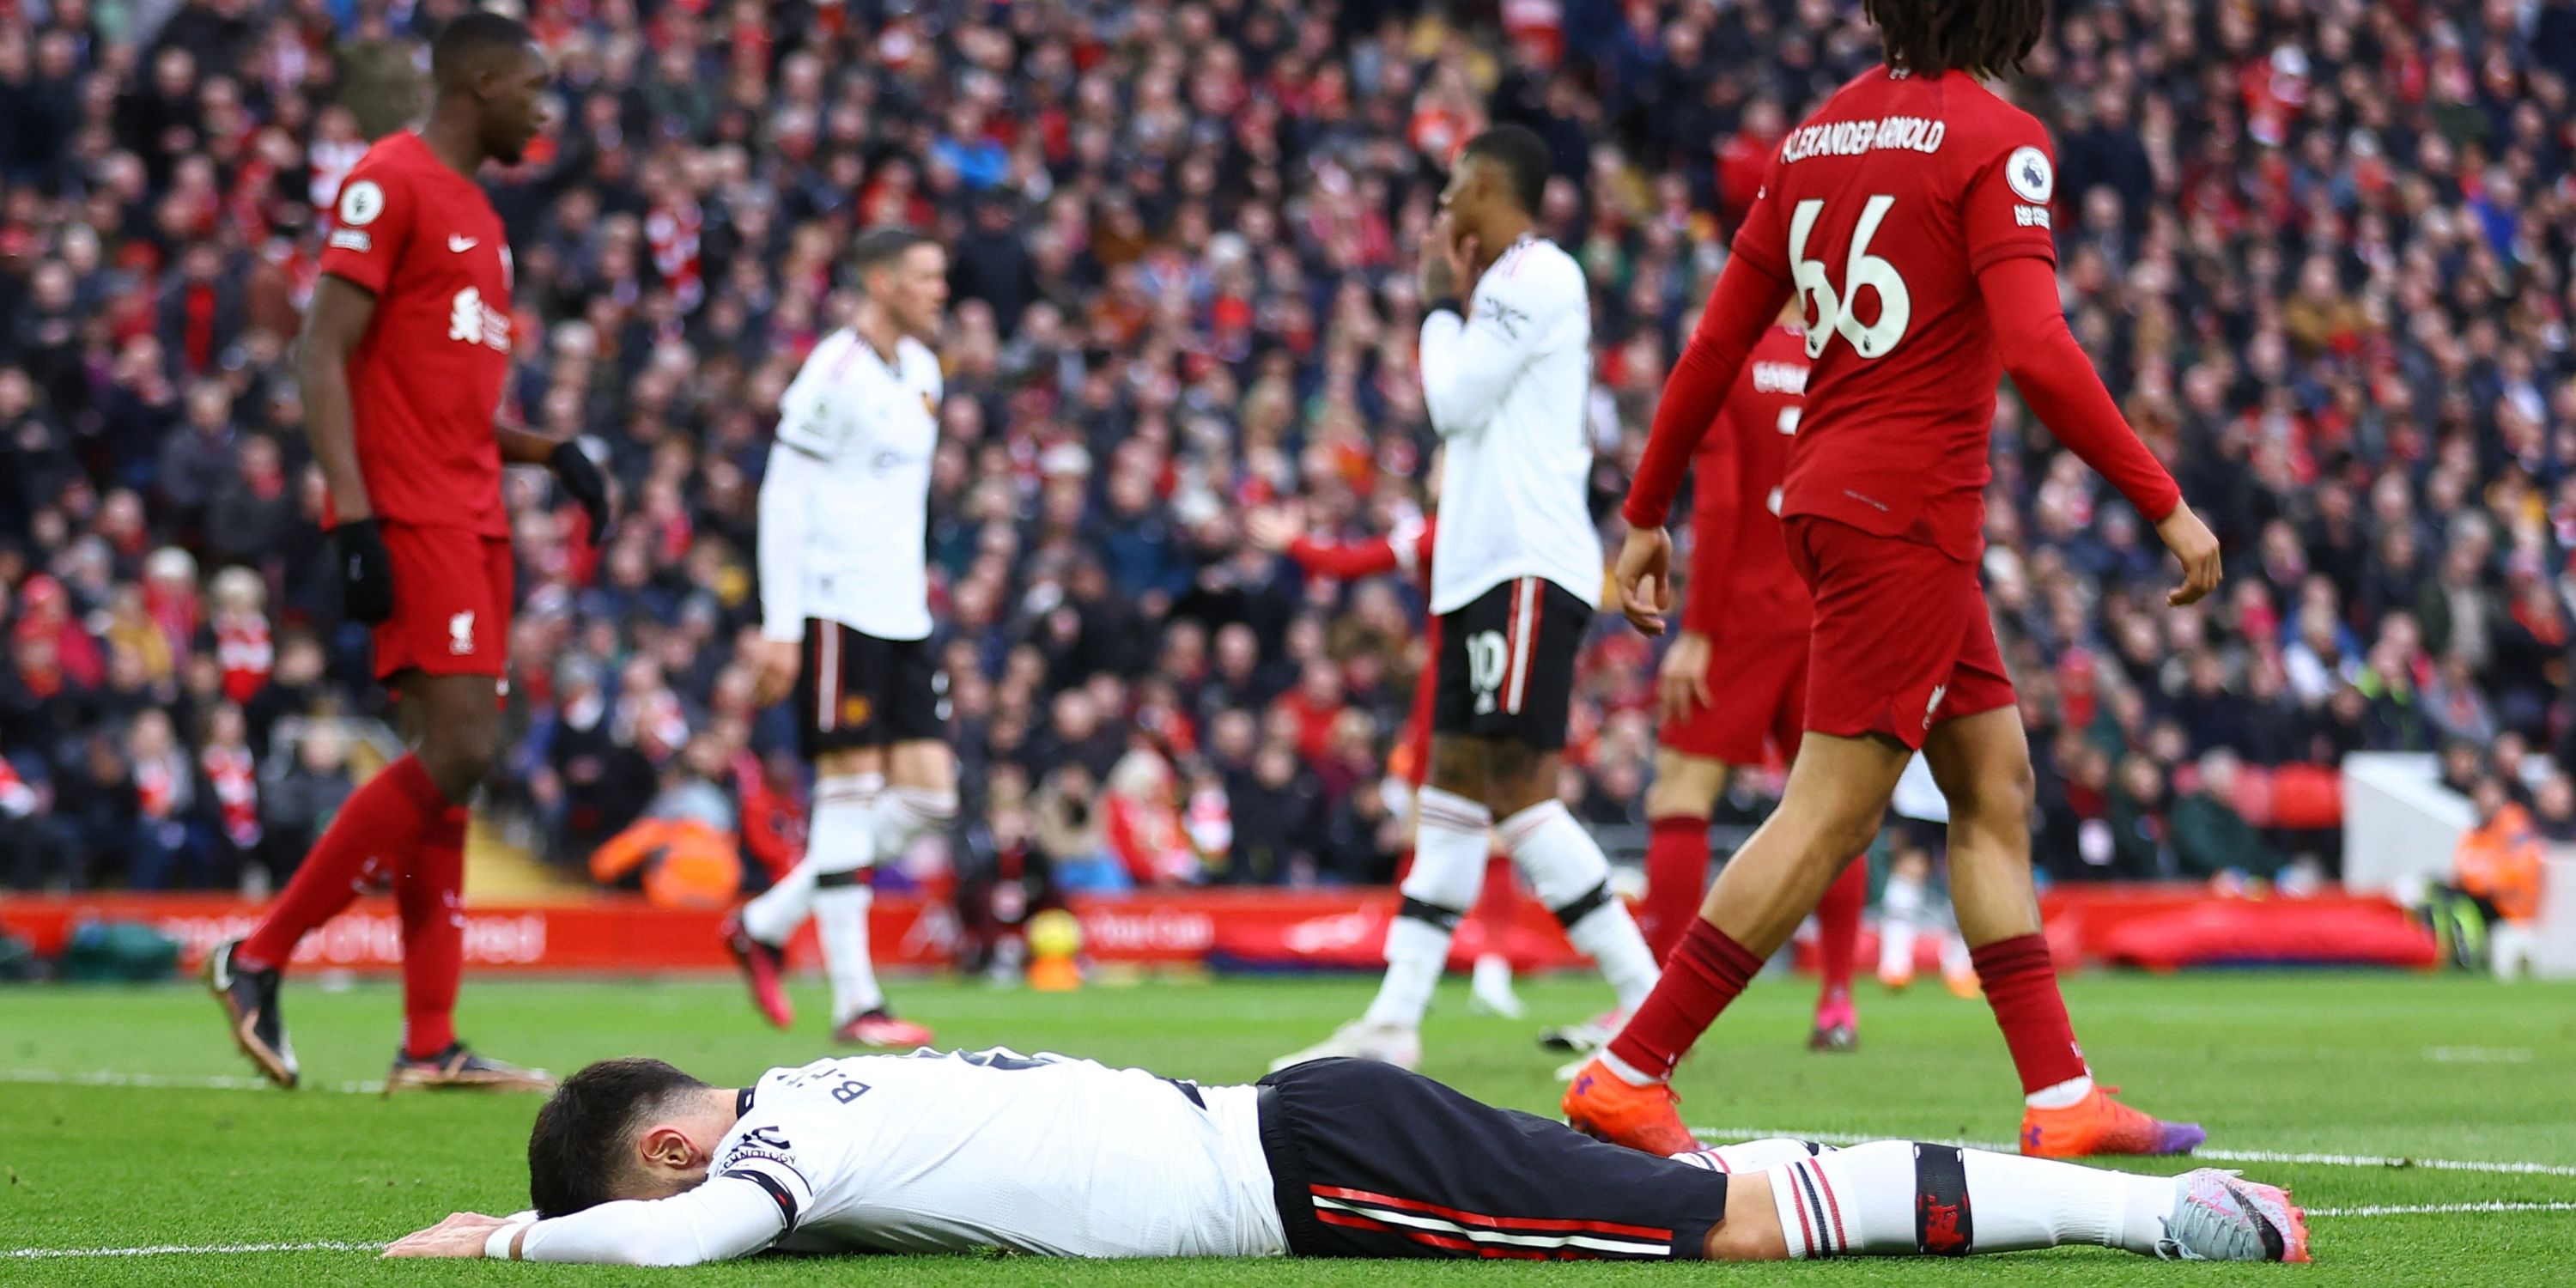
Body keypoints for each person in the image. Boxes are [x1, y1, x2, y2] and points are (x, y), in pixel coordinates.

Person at [1564, 0, 2224, 1159]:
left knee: (1993, 781)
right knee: (1829, 811)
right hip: (1906, 515)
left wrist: (1644, 512)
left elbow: (1717, 345)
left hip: (1833, 497)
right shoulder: (1998, 138)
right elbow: (2038, 349)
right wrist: (2162, 499)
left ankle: (2062, 1096)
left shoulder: (1814, 135)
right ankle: (1631, 1070)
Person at [205, 12, 609, 1093]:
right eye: (533, 87)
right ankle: (258, 955)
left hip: (475, 511)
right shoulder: (391, 180)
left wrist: (549, 452)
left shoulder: (483, 214)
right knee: (463, 750)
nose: (544, 108)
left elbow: (452, 400)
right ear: (478, 82)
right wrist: (351, 513)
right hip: (413, 512)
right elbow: (319, 351)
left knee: (454, 773)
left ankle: (429, 1044)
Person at [380, 1050, 2307, 1266]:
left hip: (1312, 1173)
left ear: (666, 1145)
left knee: (1719, 1228)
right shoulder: (816, 1076)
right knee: (1703, 1181)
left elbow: (687, 1246)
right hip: (1305, 1115)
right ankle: (2148, 1205)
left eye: (666, 1175)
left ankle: (2161, 1219)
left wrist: (496, 1247)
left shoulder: (769, 1150)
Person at [1273, 125, 1660, 1071]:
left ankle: (1651, 1009)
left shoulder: (1538, 276)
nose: (1441, 215)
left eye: (1452, 196)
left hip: (1527, 565)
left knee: (1519, 796)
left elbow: (1451, 404)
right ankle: (1396, 1021)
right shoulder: (1508, 288)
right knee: (1448, 797)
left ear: (1489, 190)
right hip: (1482, 574)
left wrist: (1440, 306)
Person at [720, 228, 958, 1048]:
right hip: (836, 608)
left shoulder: (924, 369)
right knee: (850, 797)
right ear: (882, 281)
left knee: (930, 796)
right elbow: (783, 497)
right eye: (927, 275)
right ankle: (857, 1002)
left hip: (903, 613)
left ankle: (766, 920)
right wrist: (783, 627)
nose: (941, 289)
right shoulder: (834, 371)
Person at [1638, 300, 1869, 1052]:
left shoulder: (1728, 354)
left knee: (1682, 791)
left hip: (1741, 609)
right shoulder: (1853, 350)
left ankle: (1655, 1000)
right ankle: (1836, 999)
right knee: (1835, 802)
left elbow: (1723, 500)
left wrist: (1697, 635)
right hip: (1832, 600)